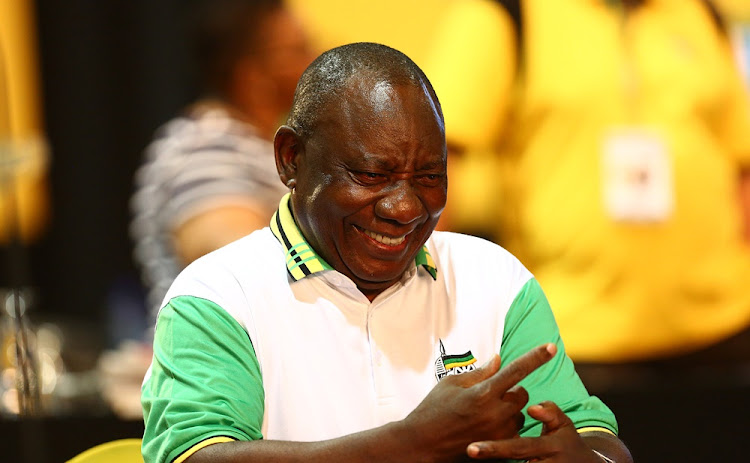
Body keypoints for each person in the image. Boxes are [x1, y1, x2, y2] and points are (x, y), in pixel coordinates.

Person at [141, 42, 632, 463]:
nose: (404, 207)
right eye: (372, 176)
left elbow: (597, 439)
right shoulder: (220, 296)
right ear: (291, 159)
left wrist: (589, 456)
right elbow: (199, 455)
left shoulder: (496, 282)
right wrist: (411, 444)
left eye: (429, 178)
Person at [426, 0, 750, 372]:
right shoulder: (505, 13)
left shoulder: (703, 13)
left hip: (725, 330)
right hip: (566, 341)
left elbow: (742, 162)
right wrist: (428, 308)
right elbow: (435, 159)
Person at [130, 0, 312, 318]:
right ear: (251, 75)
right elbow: (245, 271)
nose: (316, 59)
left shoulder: (254, 144)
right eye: (298, 49)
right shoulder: (205, 146)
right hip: (222, 364)